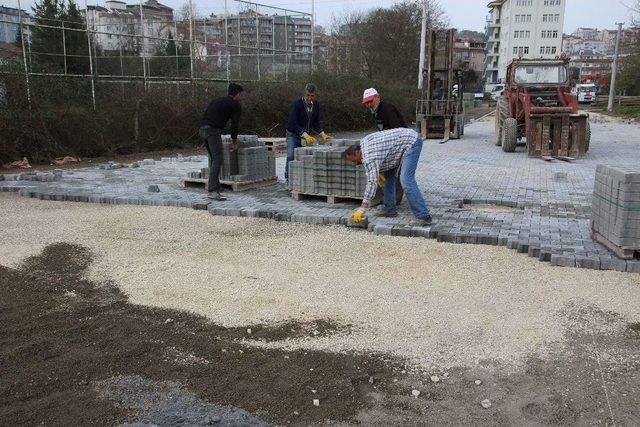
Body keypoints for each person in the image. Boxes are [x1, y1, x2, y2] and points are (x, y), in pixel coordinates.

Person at [346, 127, 432, 226]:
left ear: (357, 153)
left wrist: (363, 207)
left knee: (406, 179)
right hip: (395, 149)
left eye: (354, 160)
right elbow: (381, 152)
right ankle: (390, 210)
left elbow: (371, 182)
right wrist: (379, 170)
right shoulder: (363, 143)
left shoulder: (369, 156)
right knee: (388, 178)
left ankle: (423, 216)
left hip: (411, 142)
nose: (356, 164)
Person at [199, 83, 243, 201]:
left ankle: (216, 185)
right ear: (237, 94)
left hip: (202, 129)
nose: (241, 96)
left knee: (214, 158)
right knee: (217, 159)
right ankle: (212, 190)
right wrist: (234, 141)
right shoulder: (235, 105)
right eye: (241, 94)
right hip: (213, 131)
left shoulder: (216, 100)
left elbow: (207, 114)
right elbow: (234, 125)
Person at [285, 83, 331, 182]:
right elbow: (291, 123)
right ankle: (288, 178)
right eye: (308, 95)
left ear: (315, 95)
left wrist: (322, 133)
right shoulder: (297, 104)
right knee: (291, 155)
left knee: (304, 157)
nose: (310, 98)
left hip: (306, 136)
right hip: (293, 134)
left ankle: (301, 178)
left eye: (312, 96)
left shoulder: (316, 105)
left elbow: (316, 122)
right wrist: (304, 134)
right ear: (304, 94)